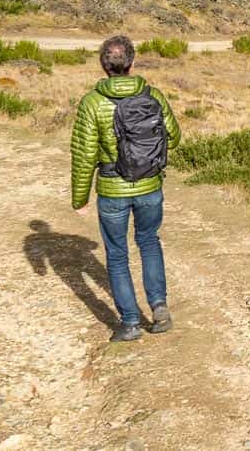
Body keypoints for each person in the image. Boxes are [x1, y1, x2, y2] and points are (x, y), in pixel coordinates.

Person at [70, 34, 181, 342]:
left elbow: (84, 154)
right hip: (149, 187)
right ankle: (159, 309)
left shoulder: (92, 103)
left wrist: (79, 198)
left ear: (103, 66)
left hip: (112, 191)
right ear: (132, 63)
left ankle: (131, 323)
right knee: (149, 242)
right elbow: (173, 137)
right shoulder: (153, 95)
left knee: (117, 255)